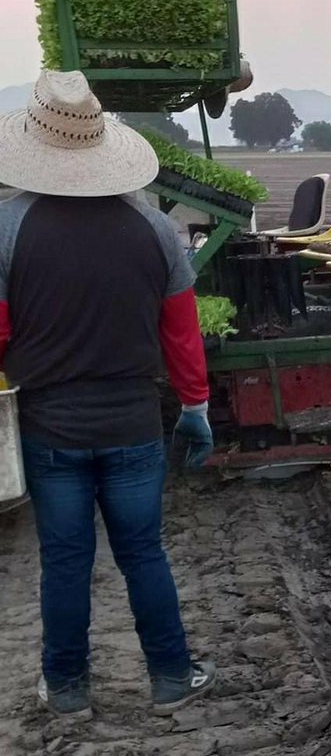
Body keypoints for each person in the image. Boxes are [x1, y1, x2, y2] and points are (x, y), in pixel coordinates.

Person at [0, 71, 217, 720]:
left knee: (65, 561)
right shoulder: (154, 230)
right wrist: (197, 408)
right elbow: (181, 333)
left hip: (50, 428)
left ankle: (66, 688)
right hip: (133, 426)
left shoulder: (7, 229)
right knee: (143, 551)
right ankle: (173, 676)